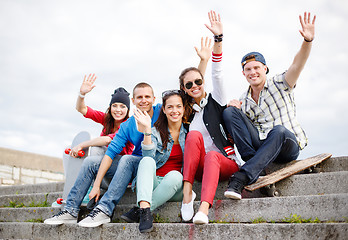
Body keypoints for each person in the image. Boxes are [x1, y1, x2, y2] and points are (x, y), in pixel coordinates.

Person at [223, 12, 316, 200]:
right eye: (248, 69)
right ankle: (253, 162)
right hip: (263, 145)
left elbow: (298, 64)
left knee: (279, 131)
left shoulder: (281, 83)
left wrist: (307, 41)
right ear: (243, 73)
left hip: (287, 144)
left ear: (265, 68)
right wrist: (234, 109)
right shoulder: (245, 99)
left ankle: (242, 177)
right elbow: (242, 129)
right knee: (229, 112)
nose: (253, 72)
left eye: (257, 68)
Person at [44, 82, 162, 226]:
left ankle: (104, 210)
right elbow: (110, 153)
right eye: (139, 97)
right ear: (134, 101)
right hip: (131, 168)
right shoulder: (127, 125)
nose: (144, 100)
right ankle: (70, 210)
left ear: (154, 99)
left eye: (147, 96)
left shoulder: (161, 111)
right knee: (90, 161)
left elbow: (181, 103)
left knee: (127, 158)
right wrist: (97, 185)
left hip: (151, 165)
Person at [179, 11, 241, 225]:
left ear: (202, 82)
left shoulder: (217, 99)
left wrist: (218, 40)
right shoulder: (186, 113)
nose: (194, 86)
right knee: (194, 135)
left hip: (224, 162)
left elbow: (216, 74)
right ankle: (188, 193)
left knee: (212, 156)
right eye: (189, 85)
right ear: (185, 90)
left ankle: (204, 209)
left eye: (198, 82)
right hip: (198, 168)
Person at [121, 90, 187, 233]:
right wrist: (147, 130)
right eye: (169, 107)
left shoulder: (189, 133)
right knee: (146, 161)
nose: (174, 110)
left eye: (178, 106)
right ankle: (145, 211)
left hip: (175, 187)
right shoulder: (156, 131)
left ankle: (140, 210)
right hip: (151, 184)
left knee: (175, 176)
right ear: (164, 109)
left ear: (183, 109)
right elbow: (148, 154)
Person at [61, 74, 133, 204]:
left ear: (128, 110)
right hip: (102, 171)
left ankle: (88, 188)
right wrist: (81, 94)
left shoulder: (128, 125)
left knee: (97, 147)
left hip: (117, 174)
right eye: (115, 105)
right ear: (110, 107)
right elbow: (81, 109)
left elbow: (108, 140)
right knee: (72, 154)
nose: (118, 110)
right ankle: (78, 187)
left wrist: (83, 144)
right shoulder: (106, 119)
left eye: (122, 107)